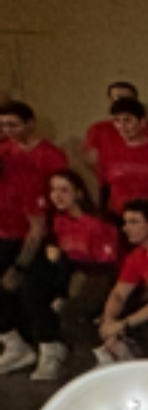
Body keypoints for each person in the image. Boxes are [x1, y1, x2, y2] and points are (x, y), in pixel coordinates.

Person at [17, 169, 122, 381]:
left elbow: (104, 267)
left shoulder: (97, 225)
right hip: (73, 274)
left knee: (70, 310)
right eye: (53, 190)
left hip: (100, 276)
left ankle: (106, 356)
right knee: (32, 287)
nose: (57, 196)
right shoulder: (59, 220)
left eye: (64, 190)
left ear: (79, 193)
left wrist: (66, 290)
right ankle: (50, 348)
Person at [0, 102, 73, 375]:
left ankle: (50, 346)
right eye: (3, 126)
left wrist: (17, 267)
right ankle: (14, 343)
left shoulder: (27, 174)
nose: (7, 132)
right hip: (7, 235)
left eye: (12, 124)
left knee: (31, 283)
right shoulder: (7, 151)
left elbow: (37, 227)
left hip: (38, 234)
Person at [94, 198, 148, 364]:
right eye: (125, 222)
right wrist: (109, 320)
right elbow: (119, 293)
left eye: (134, 222)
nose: (125, 228)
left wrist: (123, 324)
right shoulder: (137, 255)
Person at [94, 98, 148, 215]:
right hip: (117, 216)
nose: (121, 126)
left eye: (127, 120)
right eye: (117, 121)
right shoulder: (110, 151)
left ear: (142, 122)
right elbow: (104, 187)